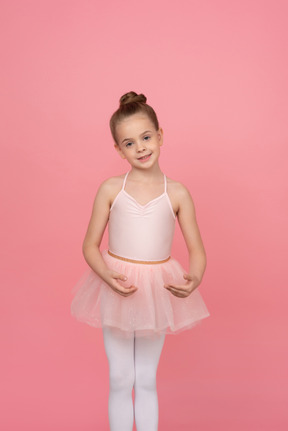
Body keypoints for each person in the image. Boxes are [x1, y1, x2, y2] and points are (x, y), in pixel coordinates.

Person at [71, 91, 210, 431]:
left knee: (145, 377)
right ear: (118, 150)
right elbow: (90, 246)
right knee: (120, 376)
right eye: (129, 143)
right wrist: (107, 275)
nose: (141, 148)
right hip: (116, 284)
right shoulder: (110, 189)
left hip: (156, 290)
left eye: (146, 137)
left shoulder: (176, 192)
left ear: (160, 135)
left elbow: (197, 250)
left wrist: (195, 277)